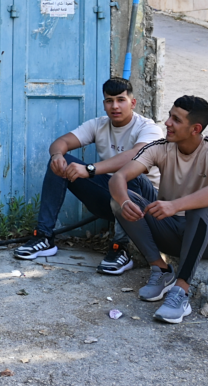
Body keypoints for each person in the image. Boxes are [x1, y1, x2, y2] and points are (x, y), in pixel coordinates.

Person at [14, 77, 164, 274]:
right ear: (104, 104)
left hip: (145, 204)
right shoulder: (99, 125)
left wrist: (90, 169)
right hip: (111, 199)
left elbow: (137, 157)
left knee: (128, 175)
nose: (115, 106)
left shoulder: (148, 128)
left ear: (132, 103)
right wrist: (57, 155)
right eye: (109, 101)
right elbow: (61, 142)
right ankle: (44, 236)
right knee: (61, 162)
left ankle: (121, 249)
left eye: (121, 100)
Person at [109, 96, 208, 324]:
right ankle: (161, 270)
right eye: (169, 116)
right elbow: (119, 177)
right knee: (118, 200)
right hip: (173, 229)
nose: (167, 123)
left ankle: (181, 292)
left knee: (199, 207)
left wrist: (175, 205)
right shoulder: (160, 148)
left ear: (195, 128)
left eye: (176, 119)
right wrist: (125, 203)